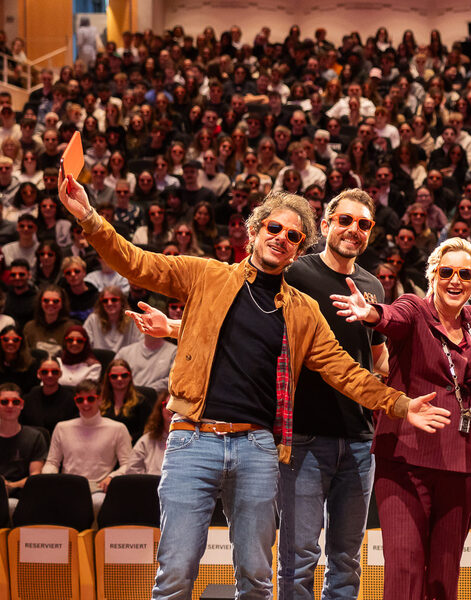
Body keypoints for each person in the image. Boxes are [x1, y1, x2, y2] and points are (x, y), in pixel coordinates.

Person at [57, 175, 448, 599]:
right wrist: (89, 216)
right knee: (175, 574)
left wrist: (400, 405)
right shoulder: (207, 275)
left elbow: (346, 371)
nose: (282, 238)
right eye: (274, 228)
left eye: (293, 236)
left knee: (257, 581)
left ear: (299, 249)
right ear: (255, 230)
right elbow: (136, 262)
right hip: (193, 439)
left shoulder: (303, 310)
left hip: (258, 448)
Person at [329, 236, 471, 600]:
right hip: (406, 460)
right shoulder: (414, 308)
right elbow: (391, 318)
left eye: (465, 274)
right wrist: (370, 313)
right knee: (404, 571)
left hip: (462, 463)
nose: (455, 280)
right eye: (446, 272)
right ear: (433, 275)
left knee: (443, 579)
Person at [277, 189, 389, 600]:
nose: (353, 229)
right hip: (305, 435)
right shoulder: (295, 273)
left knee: (346, 559)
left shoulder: (372, 285)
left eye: (363, 224)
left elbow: (379, 358)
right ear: (325, 225)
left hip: (359, 439)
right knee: (299, 557)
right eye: (345, 220)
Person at [43, 380, 133, 514]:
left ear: (100, 400)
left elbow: (128, 464)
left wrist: (113, 477)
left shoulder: (117, 428)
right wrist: (49, 478)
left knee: (98, 503)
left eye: (90, 399)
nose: (85, 404)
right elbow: (52, 462)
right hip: (68, 485)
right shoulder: (62, 427)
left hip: (99, 488)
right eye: (80, 400)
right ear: (75, 401)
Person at [0, 382, 46, 506]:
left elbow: (35, 476)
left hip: (23, 496)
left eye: (15, 402)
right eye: (4, 402)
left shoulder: (35, 437)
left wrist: (10, 486)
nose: (10, 406)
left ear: (22, 405)